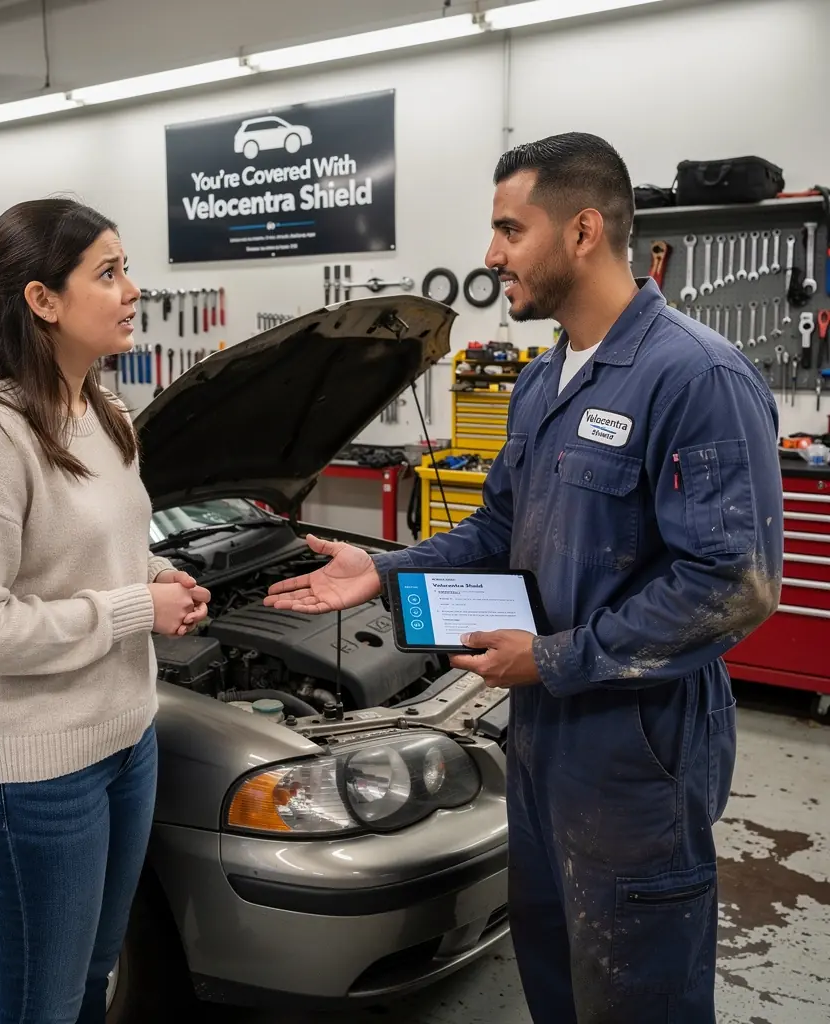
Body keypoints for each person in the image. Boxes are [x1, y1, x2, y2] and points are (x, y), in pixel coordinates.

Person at [265, 133, 783, 1024]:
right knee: (553, 966)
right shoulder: (544, 381)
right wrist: (383, 570)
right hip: (540, 736)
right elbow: (500, 527)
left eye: (510, 229)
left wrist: (556, 657)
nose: (490, 254)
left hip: (637, 748)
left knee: (635, 988)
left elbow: (731, 584)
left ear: (583, 231)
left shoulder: (694, 376)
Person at [0, 198, 211, 1024]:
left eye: (125, 270)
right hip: (31, 772)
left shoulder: (106, 417)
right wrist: (130, 609)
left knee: (92, 980)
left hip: (125, 741)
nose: (131, 291)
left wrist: (162, 578)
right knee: (40, 1002)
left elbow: (100, 552)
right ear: (42, 299)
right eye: (107, 273)